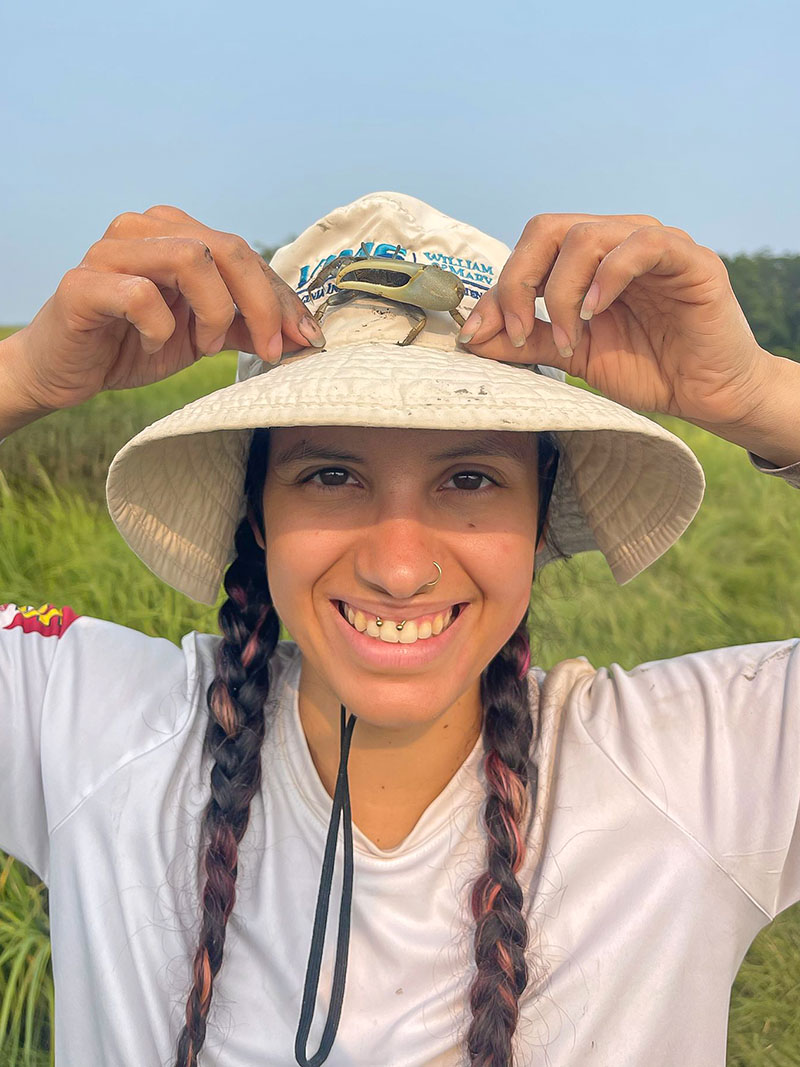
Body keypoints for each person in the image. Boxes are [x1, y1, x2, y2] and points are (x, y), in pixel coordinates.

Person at [0, 191, 798, 1067]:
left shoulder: (687, 775)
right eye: (333, 473)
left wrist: (753, 392)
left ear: (540, 523)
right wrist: (26, 375)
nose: (400, 564)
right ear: (255, 515)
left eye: (470, 479)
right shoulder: (97, 736)